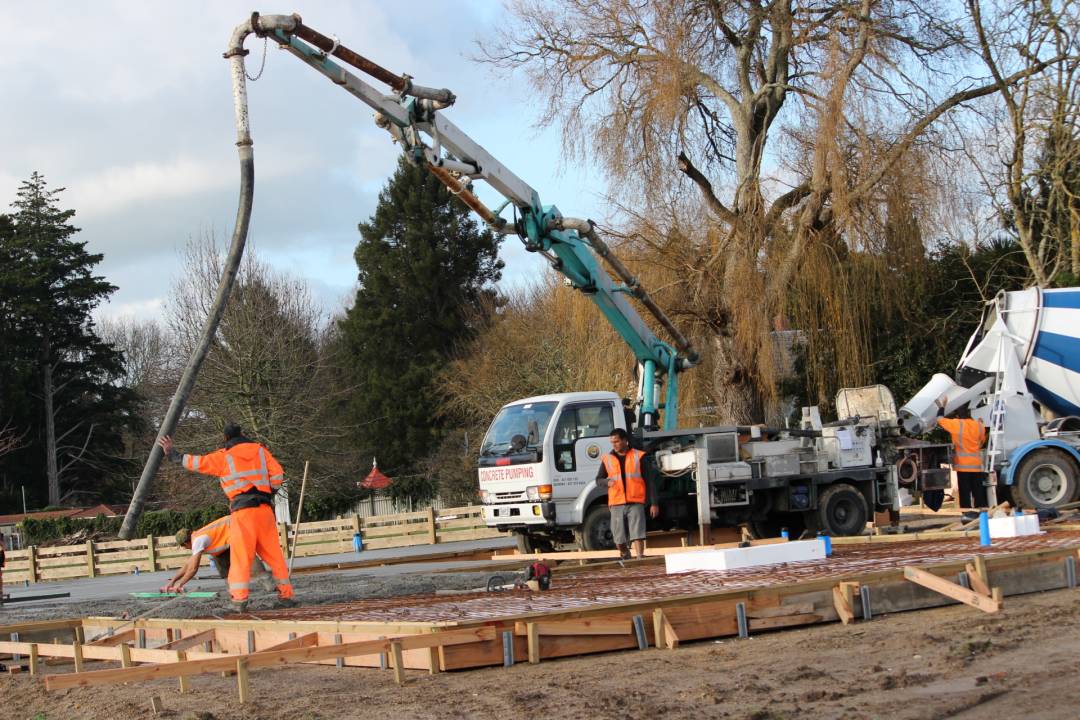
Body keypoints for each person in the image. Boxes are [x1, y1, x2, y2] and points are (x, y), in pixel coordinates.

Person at [158, 424, 295, 610]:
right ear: (243, 434)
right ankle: (286, 595)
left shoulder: (224, 456)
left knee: (240, 558)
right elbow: (278, 474)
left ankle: (239, 601)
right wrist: (270, 491)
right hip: (265, 510)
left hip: (243, 513)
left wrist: (173, 454)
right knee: (275, 556)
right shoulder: (261, 451)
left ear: (225, 439)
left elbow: (197, 462)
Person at [596, 428, 659, 560]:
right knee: (618, 537)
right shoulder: (607, 459)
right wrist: (606, 482)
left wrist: (654, 503)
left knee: (638, 534)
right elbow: (598, 480)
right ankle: (625, 553)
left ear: (625, 440)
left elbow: (650, 481)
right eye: (612, 442)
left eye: (617, 441)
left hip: (635, 501)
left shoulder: (638, 456)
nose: (614, 444)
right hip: (616, 502)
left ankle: (640, 557)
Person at [165, 517, 273, 593]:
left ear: (185, 543)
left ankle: (270, 585)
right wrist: (173, 581)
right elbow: (188, 565)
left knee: (248, 559)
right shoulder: (197, 538)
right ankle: (235, 593)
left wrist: (180, 584)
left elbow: (193, 569)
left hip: (237, 530)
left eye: (183, 546)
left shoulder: (197, 540)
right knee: (222, 567)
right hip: (226, 541)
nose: (185, 548)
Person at [935, 398, 989, 509]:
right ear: (969, 413)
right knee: (978, 494)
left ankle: (967, 516)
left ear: (958, 415)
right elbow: (982, 441)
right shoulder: (979, 425)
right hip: (976, 466)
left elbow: (940, 419)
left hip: (963, 467)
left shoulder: (956, 424)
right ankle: (982, 515)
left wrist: (942, 406)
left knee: (965, 495)